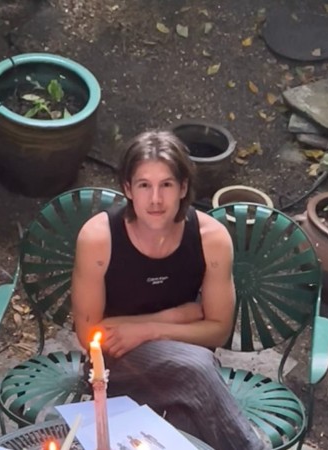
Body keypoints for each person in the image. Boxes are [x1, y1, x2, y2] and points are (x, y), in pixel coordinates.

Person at [71, 130, 267, 450]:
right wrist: (179, 316)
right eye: (144, 185)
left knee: (185, 422)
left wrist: (148, 329)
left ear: (183, 188)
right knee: (196, 367)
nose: (156, 199)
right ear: (127, 189)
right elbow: (89, 333)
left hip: (186, 372)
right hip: (113, 368)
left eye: (166, 185)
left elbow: (218, 331)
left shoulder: (211, 239)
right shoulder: (99, 238)